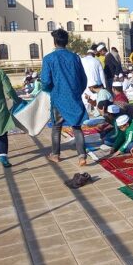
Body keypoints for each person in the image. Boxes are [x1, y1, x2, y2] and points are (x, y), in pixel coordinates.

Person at [41, 29, 88, 166]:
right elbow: (83, 79)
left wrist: (50, 90)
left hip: (58, 97)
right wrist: (77, 92)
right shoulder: (74, 57)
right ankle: (82, 156)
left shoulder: (49, 58)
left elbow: (45, 80)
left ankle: (55, 155)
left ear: (55, 42)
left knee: (56, 126)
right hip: (74, 96)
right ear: (66, 42)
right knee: (77, 126)